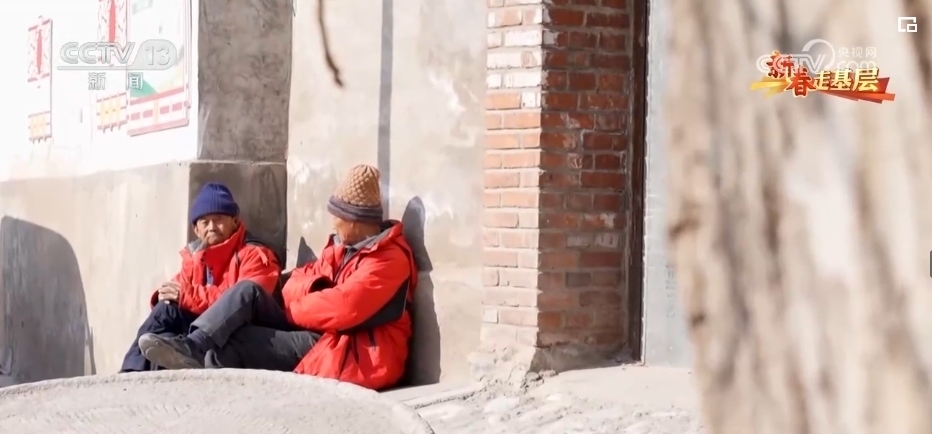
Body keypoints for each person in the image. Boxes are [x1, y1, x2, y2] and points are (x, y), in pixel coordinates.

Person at [137, 164, 418, 391]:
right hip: (316, 328)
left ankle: (197, 376)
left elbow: (344, 307)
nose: (332, 224)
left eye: (337, 217)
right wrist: (316, 292)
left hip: (350, 349)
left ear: (354, 220)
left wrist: (293, 310)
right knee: (246, 292)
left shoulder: (388, 260)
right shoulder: (340, 248)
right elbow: (294, 281)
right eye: (205, 222)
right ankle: (189, 348)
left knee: (239, 339)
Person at [119, 182, 282, 372]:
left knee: (184, 311)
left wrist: (186, 296)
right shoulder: (195, 257)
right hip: (206, 332)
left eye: (219, 219)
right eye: (205, 222)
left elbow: (240, 302)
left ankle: (188, 352)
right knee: (165, 321)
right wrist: (163, 295)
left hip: (249, 332)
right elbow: (177, 288)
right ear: (196, 230)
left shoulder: (256, 254)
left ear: (235, 221)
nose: (212, 227)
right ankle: (130, 373)